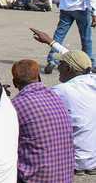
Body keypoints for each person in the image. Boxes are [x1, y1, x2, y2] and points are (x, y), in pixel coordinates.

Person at [30, 28, 96, 174]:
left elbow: (29, 106)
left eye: (61, 64)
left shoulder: (62, 91)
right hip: (93, 159)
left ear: (68, 69)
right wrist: (50, 42)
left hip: (74, 161)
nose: (58, 67)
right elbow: (77, 60)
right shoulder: (91, 79)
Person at [9, 59, 74, 183]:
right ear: (38, 77)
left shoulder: (17, 104)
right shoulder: (55, 96)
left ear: (15, 83)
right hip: (64, 182)